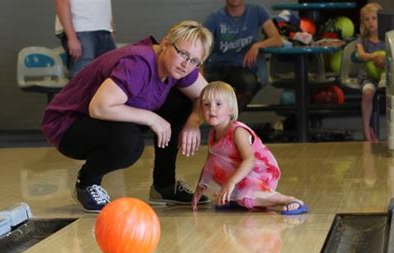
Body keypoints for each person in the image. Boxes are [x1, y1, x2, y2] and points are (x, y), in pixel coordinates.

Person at [41, 20, 213, 212]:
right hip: (68, 125)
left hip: (106, 118)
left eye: (194, 61)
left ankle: (164, 187)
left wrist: (193, 122)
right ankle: (87, 183)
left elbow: (209, 97)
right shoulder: (138, 63)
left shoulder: (179, 67)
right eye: (183, 54)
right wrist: (152, 118)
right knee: (129, 142)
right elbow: (98, 107)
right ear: (165, 44)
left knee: (180, 102)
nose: (186, 64)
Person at [191, 81, 307, 215]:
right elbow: (209, 164)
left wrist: (231, 183)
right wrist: (200, 188)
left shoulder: (238, 131)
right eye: (206, 104)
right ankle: (256, 200)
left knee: (245, 198)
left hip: (259, 172)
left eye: (218, 104)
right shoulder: (213, 134)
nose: (211, 109)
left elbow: (250, 161)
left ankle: (287, 200)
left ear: (231, 109)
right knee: (221, 190)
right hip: (241, 173)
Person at [203, 0, 283, 110]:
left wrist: (257, 46)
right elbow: (200, 42)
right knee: (194, 86)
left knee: (249, 86)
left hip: (240, 67)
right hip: (216, 65)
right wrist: (199, 69)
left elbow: (277, 40)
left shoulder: (257, 11)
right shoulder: (214, 17)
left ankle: (228, 117)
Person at [55, 0, 116, 78]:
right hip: (81, 30)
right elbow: (61, 2)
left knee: (107, 77)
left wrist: (111, 27)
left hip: (104, 30)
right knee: (82, 78)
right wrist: (71, 37)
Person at [356, 3, 386, 142]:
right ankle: (366, 129)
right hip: (368, 76)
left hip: (385, 76)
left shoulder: (387, 39)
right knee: (367, 92)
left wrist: (384, 59)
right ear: (363, 22)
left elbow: (393, 55)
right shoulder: (362, 39)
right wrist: (376, 56)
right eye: (367, 19)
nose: (371, 22)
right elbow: (361, 55)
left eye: (374, 18)